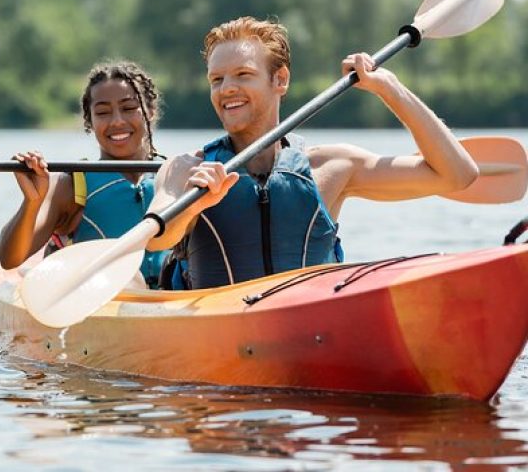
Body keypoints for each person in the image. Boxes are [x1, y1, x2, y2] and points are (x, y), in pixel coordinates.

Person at [147, 16, 478, 289]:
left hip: (312, 329)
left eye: (243, 74)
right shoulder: (187, 168)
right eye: (216, 79)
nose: (226, 88)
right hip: (217, 331)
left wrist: (389, 88)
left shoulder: (332, 166)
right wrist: (193, 207)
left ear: (281, 80)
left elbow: (458, 175)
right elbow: (156, 239)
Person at [0, 61, 168, 288]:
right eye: (103, 112)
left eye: (128, 108)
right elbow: (10, 260)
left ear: (151, 111)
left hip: (167, 298)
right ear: (90, 121)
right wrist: (32, 202)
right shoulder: (71, 186)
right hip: (94, 302)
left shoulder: (174, 176)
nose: (117, 121)